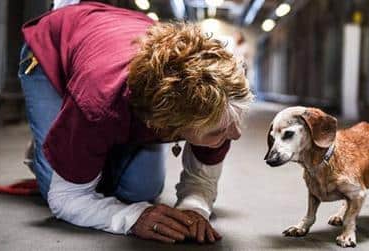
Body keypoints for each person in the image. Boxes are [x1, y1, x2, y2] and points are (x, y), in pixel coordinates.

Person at [18, 1, 252, 244]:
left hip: (120, 35)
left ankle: (83, 147)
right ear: (170, 124)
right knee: (54, 188)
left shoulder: (221, 106)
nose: (236, 134)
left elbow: (202, 180)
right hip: (53, 45)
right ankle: (52, 141)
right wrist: (129, 218)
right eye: (220, 130)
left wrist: (194, 208)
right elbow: (66, 198)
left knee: (141, 191)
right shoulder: (97, 106)